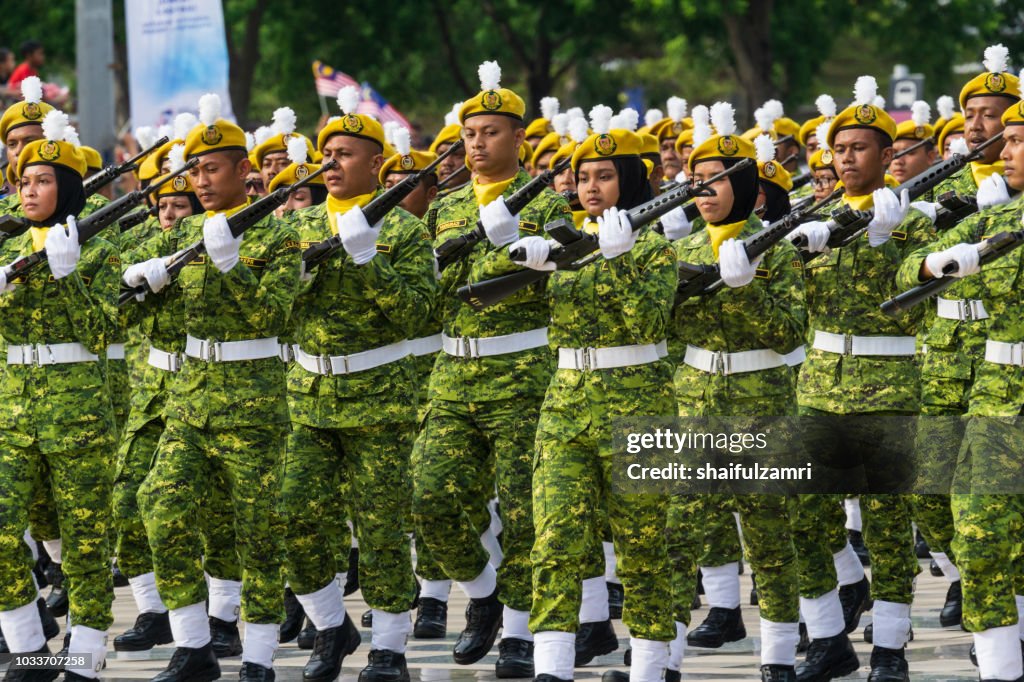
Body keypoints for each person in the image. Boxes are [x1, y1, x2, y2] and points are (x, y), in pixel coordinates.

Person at [478, 103, 676, 682]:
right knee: (556, 541)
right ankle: (552, 667)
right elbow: (492, 301)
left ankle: (652, 667)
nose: (592, 186)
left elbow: (645, 323)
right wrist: (517, 250)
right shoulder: (565, 245)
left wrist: (618, 261)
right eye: (585, 176)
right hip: (566, 405)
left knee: (641, 547)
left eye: (606, 176)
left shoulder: (656, 248)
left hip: (638, 402)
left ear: (633, 182)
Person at [125, 92, 301, 681]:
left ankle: (257, 655)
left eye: (213, 168)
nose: (200, 180)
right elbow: (121, 315)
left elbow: (275, 317)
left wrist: (230, 269)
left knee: (257, 531)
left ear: (244, 172)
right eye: (195, 170)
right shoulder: (175, 234)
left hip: (253, 403)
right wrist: (142, 285)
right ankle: (194, 644)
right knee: (159, 506)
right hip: (190, 401)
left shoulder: (277, 237)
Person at [413, 60, 570, 677]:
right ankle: (483, 594)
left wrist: (525, 248)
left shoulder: (551, 202)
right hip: (454, 374)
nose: (477, 144)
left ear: (518, 140)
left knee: (528, 510)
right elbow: (433, 291)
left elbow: (566, 281)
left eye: (491, 133)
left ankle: (523, 629)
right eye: (470, 134)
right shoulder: (446, 207)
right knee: (429, 497)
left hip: (525, 371)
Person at [278, 85, 436, 682]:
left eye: (346, 154)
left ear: (376, 164)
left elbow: (420, 314)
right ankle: (329, 625)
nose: (333, 164)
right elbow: (270, 311)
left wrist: (373, 263)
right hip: (309, 399)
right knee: (291, 515)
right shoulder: (295, 229)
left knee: (381, 529)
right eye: (327, 154)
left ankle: (391, 646)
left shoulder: (404, 233)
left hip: (382, 399)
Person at [786, 75, 937, 682]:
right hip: (822, 383)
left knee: (888, 523)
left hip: (892, 380)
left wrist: (882, 240)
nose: (846, 160)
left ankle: (892, 649)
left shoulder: (915, 220)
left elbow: (915, 297)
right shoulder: (813, 217)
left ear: (885, 155)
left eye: (859, 149)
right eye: (839, 150)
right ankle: (827, 637)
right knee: (803, 513)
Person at [670, 107, 806, 682]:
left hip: (763, 401)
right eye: (696, 181)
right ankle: (660, 657)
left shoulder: (775, 245)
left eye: (717, 180)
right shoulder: (679, 248)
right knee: (679, 532)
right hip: (695, 401)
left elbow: (791, 331)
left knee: (770, 534)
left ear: (746, 187)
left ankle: (776, 656)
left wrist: (746, 290)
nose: (705, 192)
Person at [895, 96, 1024, 682]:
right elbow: (906, 274)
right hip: (998, 394)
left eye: (1020, 140)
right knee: (978, 534)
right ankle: (1001, 666)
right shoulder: (994, 218)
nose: (1007, 150)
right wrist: (936, 263)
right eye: (1011, 138)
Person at [0, 109, 118, 681]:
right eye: (24, 180)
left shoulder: (96, 247)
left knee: (86, 541)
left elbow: (103, 333)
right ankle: (28, 649)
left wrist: (70, 278)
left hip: (79, 412)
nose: (28, 188)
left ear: (67, 187)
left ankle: (86, 657)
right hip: (14, 411)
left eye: (42, 180)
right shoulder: (6, 244)